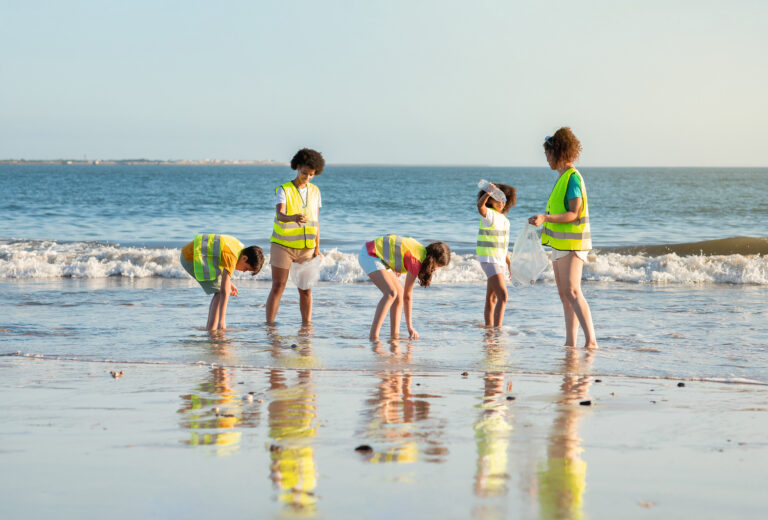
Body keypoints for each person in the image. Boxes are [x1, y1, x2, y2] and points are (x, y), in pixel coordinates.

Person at [528, 127, 597, 348]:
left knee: (573, 291)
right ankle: (570, 343)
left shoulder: (572, 178)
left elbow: (573, 213)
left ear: (558, 152)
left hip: (573, 244)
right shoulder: (562, 178)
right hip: (560, 245)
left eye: (548, 153)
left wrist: (545, 218)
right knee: (564, 295)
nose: (546, 158)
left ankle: (591, 342)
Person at [266, 148, 325, 325]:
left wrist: (317, 248)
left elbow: (316, 221)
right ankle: (269, 326)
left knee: (306, 290)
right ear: (297, 167)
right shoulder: (284, 190)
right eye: (304, 173)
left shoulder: (315, 191)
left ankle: (306, 327)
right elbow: (280, 215)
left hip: (306, 249)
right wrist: (292, 218)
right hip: (282, 246)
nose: (307, 177)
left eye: (311, 175)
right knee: (278, 286)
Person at [358, 235, 451, 340]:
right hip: (370, 254)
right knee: (391, 293)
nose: (436, 269)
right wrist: (410, 327)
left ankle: (394, 336)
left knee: (399, 294)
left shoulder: (421, 251)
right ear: (432, 259)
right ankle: (373, 337)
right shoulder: (417, 260)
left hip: (382, 260)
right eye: (438, 266)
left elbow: (398, 247)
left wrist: (394, 267)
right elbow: (408, 296)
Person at [180, 234, 264, 331]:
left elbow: (219, 261)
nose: (244, 271)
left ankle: (210, 327)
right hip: (192, 258)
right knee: (220, 292)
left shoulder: (238, 248)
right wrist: (222, 320)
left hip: (190, 253)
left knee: (220, 289)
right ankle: (212, 329)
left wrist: (228, 283)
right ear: (244, 258)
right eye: (246, 268)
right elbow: (224, 291)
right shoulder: (232, 256)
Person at [476, 182, 517, 327]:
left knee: (492, 298)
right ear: (490, 200)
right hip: (488, 259)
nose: (501, 202)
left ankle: (489, 330)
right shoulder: (489, 215)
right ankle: (498, 331)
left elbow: (503, 246)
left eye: (503, 199)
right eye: (497, 198)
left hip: (499, 261)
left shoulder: (505, 221)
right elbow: (480, 206)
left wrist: (509, 263)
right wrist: (488, 192)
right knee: (503, 296)